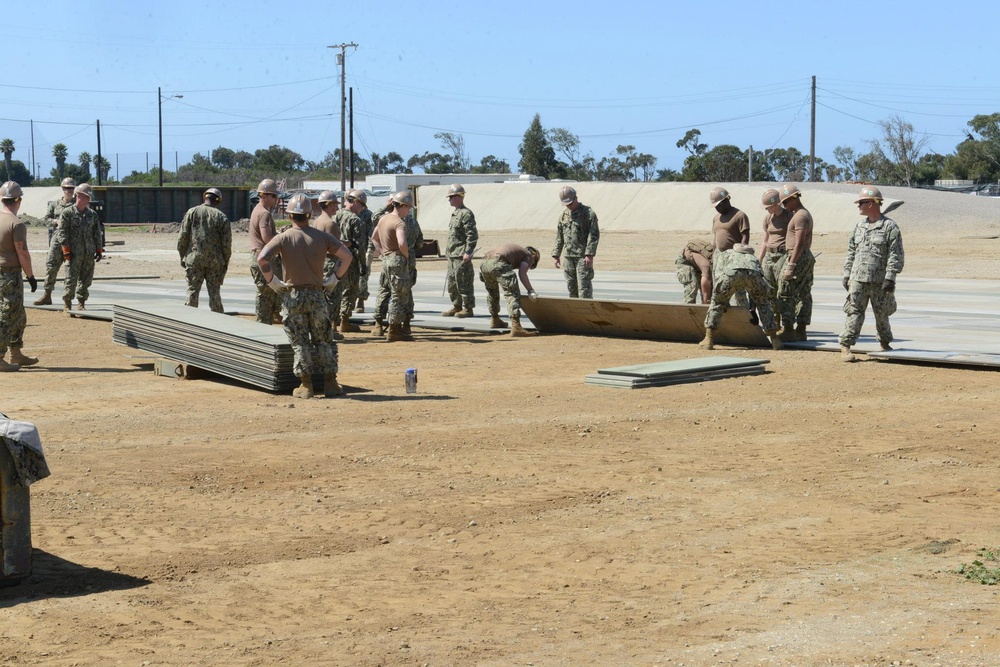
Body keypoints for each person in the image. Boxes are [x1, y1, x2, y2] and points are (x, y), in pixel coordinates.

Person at [257, 193, 352, 399]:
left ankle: (306, 385)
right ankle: (330, 383)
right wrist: (334, 278)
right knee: (323, 340)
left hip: (293, 296)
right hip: (317, 295)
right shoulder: (322, 237)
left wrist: (272, 281)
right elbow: (347, 256)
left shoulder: (283, 237)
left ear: (290, 215)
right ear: (310, 214)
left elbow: (262, 258)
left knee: (299, 341)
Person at [839, 186, 905, 362]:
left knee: (882, 313)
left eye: (862, 202)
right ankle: (845, 346)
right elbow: (851, 251)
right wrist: (847, 274)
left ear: (873, 203)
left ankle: (885, 343)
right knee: (854, 312)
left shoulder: (890, 227)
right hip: (858, 279)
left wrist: (891, 277)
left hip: (880, 281)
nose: (859, 206)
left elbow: (895, 253)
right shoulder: (859, 227)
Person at [699, 243, 782, 351]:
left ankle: (708, 340)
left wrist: (722, 300)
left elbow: (718, 275)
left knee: (717, 303)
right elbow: (759, 280)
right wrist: (753, 308)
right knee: (763, 303)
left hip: (731, 273)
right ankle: (775, 339)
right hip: (753, 273)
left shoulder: (726, 254)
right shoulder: (752, 258)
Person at [0, 181, 39, 371]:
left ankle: (16, 353)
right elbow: (22, 253)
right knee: (7, 315)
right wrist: (30, 276)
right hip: (9, 275)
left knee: (18, 315)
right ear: (18, 200)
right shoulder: (17, 224)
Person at [177, 187, 232, 313]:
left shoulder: (192, 212)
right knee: (215, 294)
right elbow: (226, 244)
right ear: (218, 201)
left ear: (205, 197)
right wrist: (225, 262)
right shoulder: (222, 217)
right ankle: (218, 321)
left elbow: (182, 238)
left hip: (194, 259)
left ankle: (189, 320)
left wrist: (183, 256)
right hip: (215, 263)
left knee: (192, 291)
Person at [372, 203, 423, 338]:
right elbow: (410, 243)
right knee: (400, 294)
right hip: (401, 260)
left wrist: (383, 252)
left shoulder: (384, 218)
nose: (409, 210)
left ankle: (379, 324)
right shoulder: (402, 222)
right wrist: (405, 255)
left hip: (387, 260)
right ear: (403, 206)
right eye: (408, 207)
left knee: (384, 290)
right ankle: (397, 327)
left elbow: (374, 237)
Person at [775, 184, 815, 341]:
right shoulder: (802, 214)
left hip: (796, 256)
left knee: (785, 292)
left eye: (785, 202)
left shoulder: (799, 216)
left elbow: (799, 242)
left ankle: (789, 329)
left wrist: (791, 264)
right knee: (804, 292)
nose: (784, 206)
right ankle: (801, 330)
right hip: (803, 256)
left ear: (793, 199)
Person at [55, 183, 103, 312]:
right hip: (73, 254)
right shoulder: (67, 213)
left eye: (89, 197)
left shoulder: (92, 214)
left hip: (88, 253)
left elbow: (97, 233)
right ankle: (67, 304)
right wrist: (65, 249)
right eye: (86, 197)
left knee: (86, 280)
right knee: (70, 279)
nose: (88, 200)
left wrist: (99, 249)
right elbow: (62, 232)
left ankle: (81, 303)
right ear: (79, 196)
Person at [478, 243, 540, 337]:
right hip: (498, 262)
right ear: (534, 256)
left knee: (492, 292)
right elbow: (522, 273)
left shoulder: (516, 251)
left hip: (485, 264)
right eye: (531, 265)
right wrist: (530, 290)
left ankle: (495, 319)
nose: (529, 266)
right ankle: (516, 327)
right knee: (512, 293)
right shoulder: (529, 255)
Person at [551, 185, 599, 298]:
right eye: (566, 204)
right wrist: (556, 255)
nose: (569, 206)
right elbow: (559, 237)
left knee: (584, 289)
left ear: (576, 198)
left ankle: (586, 314)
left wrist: (589, 254)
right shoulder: (563, 216)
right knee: (572, 289)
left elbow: (594, 235)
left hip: (582, 257)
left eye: (570, 203)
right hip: (568, 257)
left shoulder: (588, 213)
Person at [33, 178, 75, 306]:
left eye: (71, 188)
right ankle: (47, 295)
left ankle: (68, 299)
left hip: (73, 239)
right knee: (51, 266)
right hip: (57, 239)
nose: (69, 191)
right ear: (62, 189)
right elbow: (46, 219)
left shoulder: (77, 204)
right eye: (67, 188)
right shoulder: (55, 204)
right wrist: (55, 222)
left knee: (72, 270)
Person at [709, 186, 750, 309]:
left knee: (739, 290)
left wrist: (741, 255)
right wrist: (713, 255)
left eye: (718, 205)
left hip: (735, 256)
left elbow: (745, 236)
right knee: (720, 289)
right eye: (715, 206)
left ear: (726, 201)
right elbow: (716, 237)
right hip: (719, 257)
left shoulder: (739, 215)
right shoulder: (716, 218)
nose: (716, 208)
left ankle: (744, 318)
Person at [249, 178, 283, 324]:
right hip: (264, 258)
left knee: (267, 294)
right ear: (265, 196)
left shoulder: (257, 210)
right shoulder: (264, 214)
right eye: (274, 196)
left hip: (258, 256)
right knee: (266, 295)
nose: (276, 199)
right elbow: (267, 238)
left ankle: (268, 319)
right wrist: (282, 239)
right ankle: (263, 324)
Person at [441, 184, 478, 317]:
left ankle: (468, 308)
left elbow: (472, 235)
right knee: (452, 283)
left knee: (464, 282)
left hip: (461, 254)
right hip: (452, 254)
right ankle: (457, 306)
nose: (449, 200)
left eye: (451, 197)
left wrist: (468, 252)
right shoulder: (455, 213)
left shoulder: (466, 214)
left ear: (459, 197)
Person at [757, 188, 792, 323]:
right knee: (768, 288)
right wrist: (759, 260)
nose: (766, 210)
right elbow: (765, 241)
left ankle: (785, 320)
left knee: (782, 289)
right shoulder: (768, 218)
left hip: (782, 255)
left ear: (776, 203)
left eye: (768, 207)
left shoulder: (789, 217)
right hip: (769, 256)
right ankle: (774, 319)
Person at [334, 189, 367, 333]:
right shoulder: (355, 220)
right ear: (356, 202)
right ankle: (345, 320)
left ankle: (334, 321)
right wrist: (363, 265)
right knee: (350, 289)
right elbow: (361, 246)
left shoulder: (337, 215)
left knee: (336, 289)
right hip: (351, 259)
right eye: (362, 205)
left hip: (335, 258)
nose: (362, 209)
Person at [312, 190, 344, 338]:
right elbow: (335, 247)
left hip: (320, 261)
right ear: (329, 205)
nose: (336, 208)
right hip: (331, 262)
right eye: (335, 205)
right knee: (332, 297)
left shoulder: (317, 221)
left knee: (322, 296)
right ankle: (330, 330)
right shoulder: (330, 223)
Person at [353, 190, 375, 314]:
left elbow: (372, 235)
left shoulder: (368, 215)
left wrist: (370, 251)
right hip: (350, 252)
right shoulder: (347, 214)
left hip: (364, 250)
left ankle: (360, 300)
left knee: (363, 276)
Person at [675, 240, 713, 304]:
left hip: (698, 263)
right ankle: (687, 310)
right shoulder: (706, 266)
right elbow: (706, 280)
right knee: (692, 286)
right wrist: (706, 301)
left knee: (711, 293)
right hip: (685, 261)